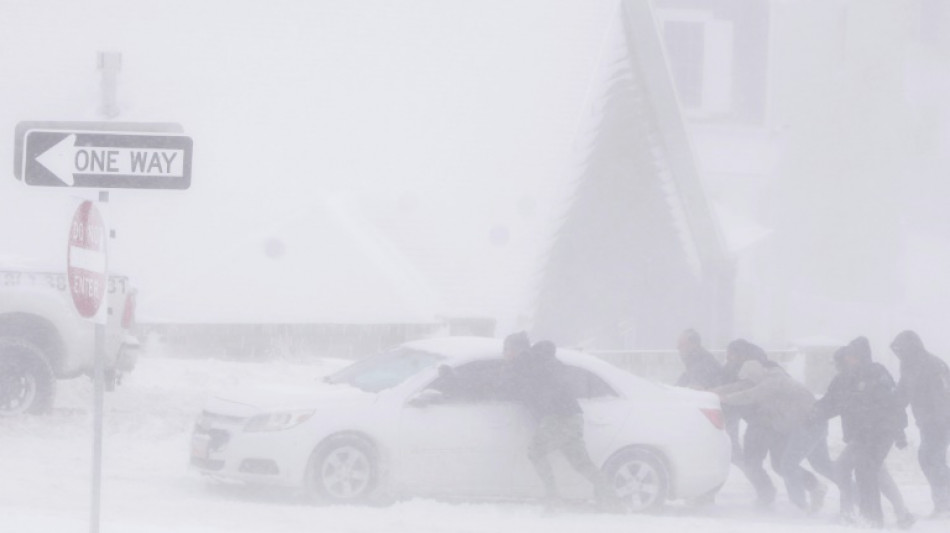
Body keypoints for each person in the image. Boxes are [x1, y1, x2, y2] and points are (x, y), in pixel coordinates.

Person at [505, 338, 615, 509]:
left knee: (536, 451)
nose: (506, 354)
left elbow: (518, 384)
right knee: (580, 463)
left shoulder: (532, 364)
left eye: (508, 350)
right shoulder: (552, 364)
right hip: (573, 416)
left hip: (557, 418)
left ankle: (553, 496)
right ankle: (610, 496)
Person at [813, 337, 908, 528]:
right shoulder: (844, 379)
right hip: (861, 435)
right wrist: (812, 414)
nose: (848, 361)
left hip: (880, 432)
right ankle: (892, 515)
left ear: (862, 356)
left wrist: (899, 432)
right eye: (847, 358)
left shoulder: (877, 373)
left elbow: (892, 403)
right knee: (859, 470)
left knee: (865, 470)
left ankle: (871, 518)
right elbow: (831, 403)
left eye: (852, 357)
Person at [718, 358, 831, 512]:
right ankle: (812, 492)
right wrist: (714, 391)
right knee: (793, 465)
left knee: (785, 465)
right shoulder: (771, 380)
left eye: (751, 380)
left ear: (756, 375)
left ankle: (799, 505)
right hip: (800, 424)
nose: (749, 383)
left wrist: (724, 398)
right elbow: (741, 388)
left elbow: (749, 395)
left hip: (802, 425)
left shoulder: (773, 381)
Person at [890, 330, 950, 518]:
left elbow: (943, 394)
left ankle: (944, 504)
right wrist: (890, 409)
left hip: (940, 421)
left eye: (902, 349)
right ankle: (943, 502)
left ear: (912, 347)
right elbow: (902, 394)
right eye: (897, 350)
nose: (899, 354)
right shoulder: (908, 366)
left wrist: (940, 421)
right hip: (926, 422)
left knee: (932, 458)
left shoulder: (933, 364)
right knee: (930, 459)